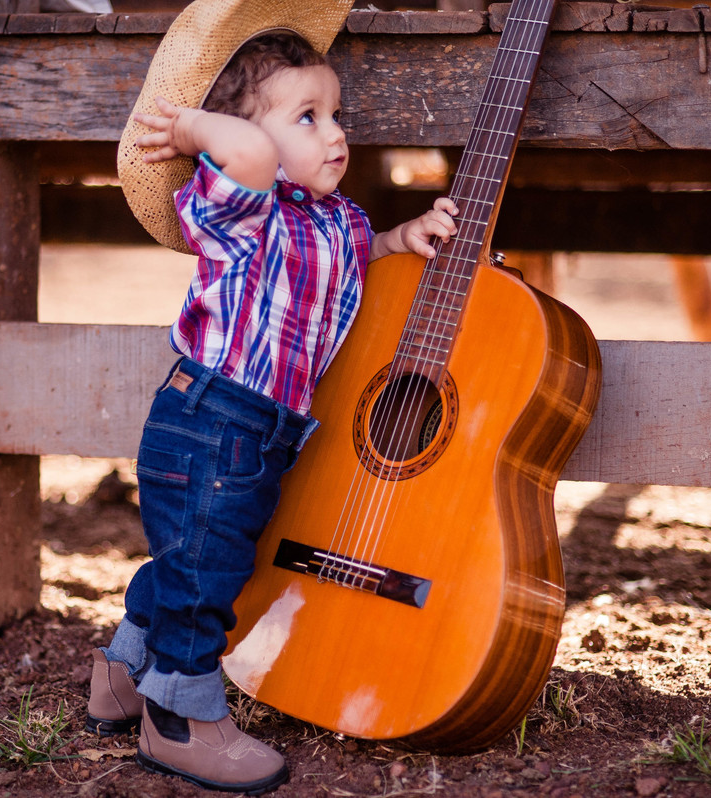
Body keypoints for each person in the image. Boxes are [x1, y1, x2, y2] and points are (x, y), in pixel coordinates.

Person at [86, 29, 458, 795]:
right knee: (207, 574)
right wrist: (190, 126)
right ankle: (181, 721)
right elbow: (249, 159)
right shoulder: (236, 212)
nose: (336, 133)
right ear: (238, 142)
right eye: (308, 117)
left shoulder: (338, 219)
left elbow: (359, 260)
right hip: (209, 421)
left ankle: (122, 675)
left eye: (336, 113)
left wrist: (402, 237)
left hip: (265, 434)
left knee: (199, 561)